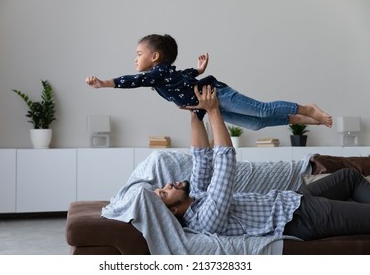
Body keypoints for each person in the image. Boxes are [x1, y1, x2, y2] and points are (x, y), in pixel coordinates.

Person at [154, 84, 370, 241]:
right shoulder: (205, 219)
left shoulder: (197, 197)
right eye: (165, 193)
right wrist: (213, 111)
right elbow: (225, 165)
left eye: (161, 188)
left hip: (291, 200)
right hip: (301, 218)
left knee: (349, 177)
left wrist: (196, 114)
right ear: (173, 210)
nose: (168, 185)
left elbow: (201, 157)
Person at [86, 33, 332, 130]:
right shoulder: (164, 75)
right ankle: (298, 118)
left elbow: (134, 80)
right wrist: (198, 69)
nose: (135, 59)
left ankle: (307, 108)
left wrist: (105, 83)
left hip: (218, 95)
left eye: (139, 54)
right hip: (210, 105)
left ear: (155, 57)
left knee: (262, 109)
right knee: (256, 125)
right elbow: (183, 77)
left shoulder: (157, 73)